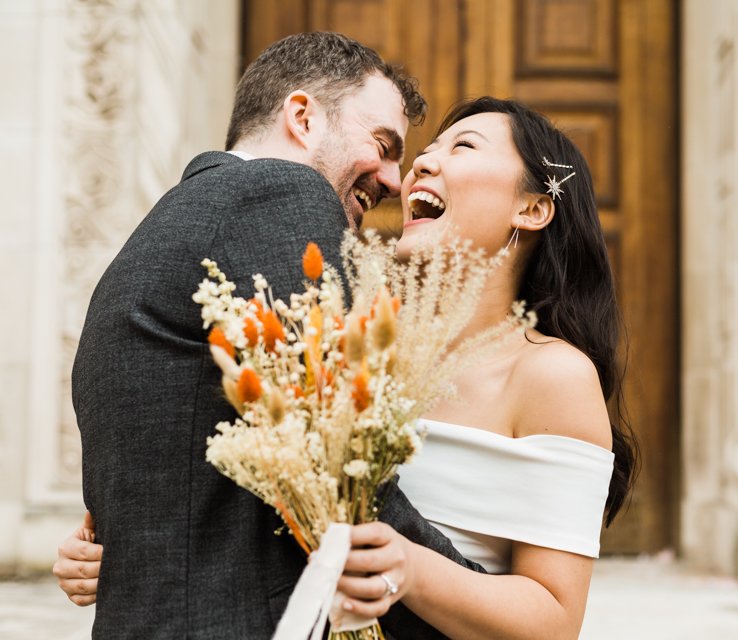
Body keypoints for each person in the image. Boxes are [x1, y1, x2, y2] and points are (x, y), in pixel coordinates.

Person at [58, 97, 638, 638]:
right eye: (425, 153)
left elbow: (554, 619)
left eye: (461, 148)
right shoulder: (349, 337)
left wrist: (409, 566)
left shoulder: (552, 376)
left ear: (532, 208)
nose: (420, 168)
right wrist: (126, 542)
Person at [58, 31, 489, 639]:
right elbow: (344, 468)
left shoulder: (167, 227)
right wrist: (475, 604)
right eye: (383, 145)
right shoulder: (278, 193)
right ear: (303, 118)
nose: (395, 180)